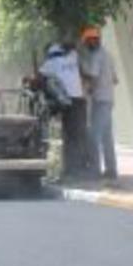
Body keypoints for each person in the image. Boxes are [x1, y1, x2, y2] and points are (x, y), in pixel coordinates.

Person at [39, 41, 87, 179]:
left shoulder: (51, 63)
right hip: (80, 101)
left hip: (68, 102)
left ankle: (71, 172)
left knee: (69, 137)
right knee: (79, 136)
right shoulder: (72, 56)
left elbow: (40, 78)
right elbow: (73, 47)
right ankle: (80, 168)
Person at [80, 27, 119, 179]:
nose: (86, 45)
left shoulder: (96, 56)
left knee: (93, 136)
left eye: (87, 41)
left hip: (100, 101)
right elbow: (115, 79)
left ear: (92, 40)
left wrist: (83, 76)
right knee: (107, 137)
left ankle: (94, 170)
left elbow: (93, 77)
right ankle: (111, 170)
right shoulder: (108, 55)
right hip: (108, 100)